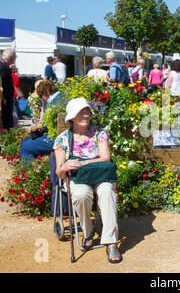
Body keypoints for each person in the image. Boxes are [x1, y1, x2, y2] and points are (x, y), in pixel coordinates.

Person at [54, 97, 121, 263]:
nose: (85, 115)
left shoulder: (99, 133)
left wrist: (83, 162)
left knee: (107, 192)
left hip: (100, 175)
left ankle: (111, 242)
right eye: (80, 112)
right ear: (72, 116)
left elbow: (106, 158)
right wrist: (64, 167)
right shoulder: (62, 139)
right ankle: (88, 229)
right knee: (82, 195)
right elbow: (59, 172)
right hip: (78, 178)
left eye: (87, 111)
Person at [19, 80, 62, 163]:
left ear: (47, 92)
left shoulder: (55, 102)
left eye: (41, 95)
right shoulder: (59, 98)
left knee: (26, 147)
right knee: (25, 141)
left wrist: (41, 126)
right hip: (57, 135)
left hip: (57, 138)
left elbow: (55, 125)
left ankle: (28, 172)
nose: (41, 99)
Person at [0, 48, 17, 130]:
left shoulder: (6, 66)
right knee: (5, 119)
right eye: (15, 56)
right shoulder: (2, 66)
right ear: (11, 57)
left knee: (8, 118)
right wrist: (2, 97)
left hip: (8, 97)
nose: (16, 57)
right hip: (5, 98)